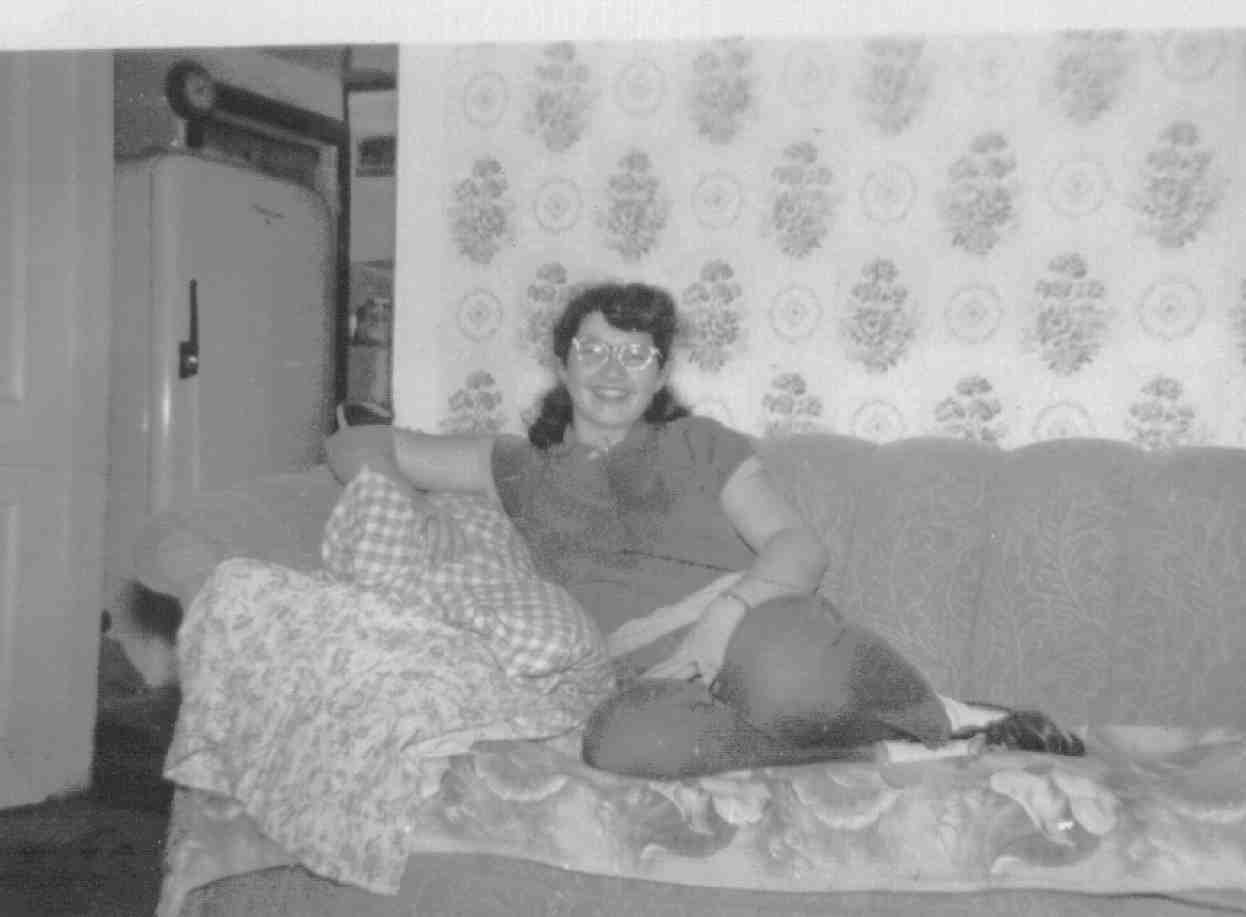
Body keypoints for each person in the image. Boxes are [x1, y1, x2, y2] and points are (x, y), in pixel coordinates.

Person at [326, 281, 1083, 780]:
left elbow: (799, 546)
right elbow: (354, 444)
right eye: (594, 349)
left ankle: (946, 712)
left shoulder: (700, 444)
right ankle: (886, 748)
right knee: (620, 745)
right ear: (562, 362)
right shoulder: (517, 466)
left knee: (787, 680)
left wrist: (726, 615)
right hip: (655, 677)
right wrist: (418, 524)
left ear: (659, 375)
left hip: (758, 629)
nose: (613, 370)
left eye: (636, 355)